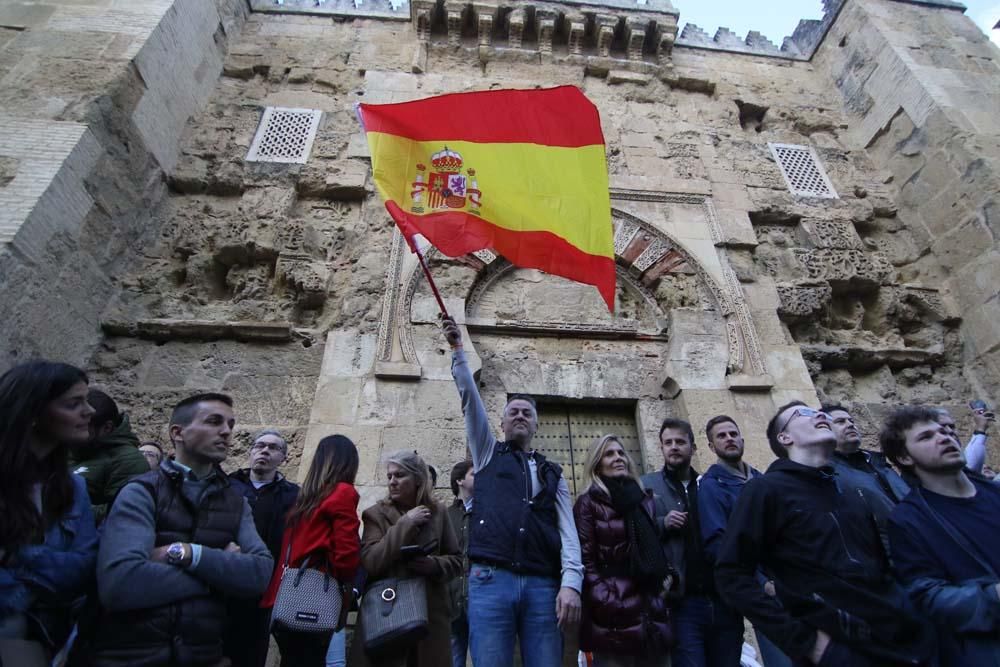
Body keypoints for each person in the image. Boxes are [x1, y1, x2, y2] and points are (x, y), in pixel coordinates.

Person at [715, 401, 936, 666]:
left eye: (818, 411)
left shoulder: (852, 491)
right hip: (839, 649)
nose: (818, 414)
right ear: (785, 438)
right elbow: (730, 573)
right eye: (804, 413)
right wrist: (807, 643)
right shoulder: (765, 490)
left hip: (902, 640)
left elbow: (881, 565)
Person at [91, 393, 273, 667]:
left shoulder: (237, 505)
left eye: (230, 424)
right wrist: (222, 575)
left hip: (203, 655)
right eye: (214, 421)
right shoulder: (142, 491)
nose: (226, 431)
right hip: (130, 655)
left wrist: (188, 553)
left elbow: (261, 574)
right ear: (178, 432)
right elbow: (120, 583)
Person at [444, 317, 583, 667]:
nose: (520, 416)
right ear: (502, 423)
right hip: (490, 580)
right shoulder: (488, 454)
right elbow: (469, 402)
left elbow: (568, 532)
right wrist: (459, 351)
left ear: (536, 424)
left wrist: (571, 583)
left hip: (542, 585)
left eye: (527, 413)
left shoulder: (553, 473)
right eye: (513, 412)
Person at [882, 406, 1000, 666]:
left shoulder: (994, 492)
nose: (944, 437)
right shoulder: (909, 521)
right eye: (926, 437)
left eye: (945, 430)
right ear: (904, 457)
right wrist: (993, 596)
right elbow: (927, 597)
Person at [0, 361, 99, 665]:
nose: (90, 411)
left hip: (44, 638)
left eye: (87, 400)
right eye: (74, 403)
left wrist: (18, 557)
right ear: (32, 413)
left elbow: (84, 567)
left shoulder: (73, 488)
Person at [639, 417, 738, 667]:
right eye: (668, 442)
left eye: (680, 442)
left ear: (693, 448)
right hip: (681, 603)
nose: (674, 447)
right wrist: (662, 523)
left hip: (723, 600)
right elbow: (635, 533)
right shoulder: (646, 486)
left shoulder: (712, 484)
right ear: (661, 447)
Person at [349, 450, 462, 667]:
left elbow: (457, 560)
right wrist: (406, 524)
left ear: (418, 478)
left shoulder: (438, 512)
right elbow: (371, 562)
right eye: (390, 476)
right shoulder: (375, 514)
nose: (392, 481)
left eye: (400, 475)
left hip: (430, 617)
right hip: (387, 616)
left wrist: (434, 565)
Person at [697, 415, 790, 667]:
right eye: (721, 436)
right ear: (710, 446)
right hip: (764, 589)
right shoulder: (711, 486)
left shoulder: (763, 480)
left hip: (793, 582)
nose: (729, 439)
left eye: (733, 434)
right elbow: (718, 543)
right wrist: (761, 583)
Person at [261, 434, 360, 667]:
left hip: (284, 596)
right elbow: (346, 554)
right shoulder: (343, 492)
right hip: (314, 597)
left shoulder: (305, 498)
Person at [574, 435, 672, 666]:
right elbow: (585, 561)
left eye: (620, 453)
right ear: (597, 464)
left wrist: (667, 581)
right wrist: (609, 601)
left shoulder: (643, 500)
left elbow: (655, 548)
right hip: (613, 621)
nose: (618, 458)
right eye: (609, 454)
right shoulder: (587, 504)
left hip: (651, 613)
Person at [227, 429, 300, 667]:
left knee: (252, 652)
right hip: (223, 579)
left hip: (264, 588)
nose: (264, 451)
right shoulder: (228, 485)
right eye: (259, 446)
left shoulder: (293, 496)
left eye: (273, 448)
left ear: (283, 459)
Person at [68, 389, 149, 524]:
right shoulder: (68, 447)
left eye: (82, 426)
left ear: (107, 428)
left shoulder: (128, 460)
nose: (73, 432)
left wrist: (60, 510)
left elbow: (123, 510)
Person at [447, 460, 474, 667]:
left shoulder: (487, 513)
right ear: (460, 481)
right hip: (452, 601)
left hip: (478, 601)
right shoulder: (447, 516)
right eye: (474, 474)